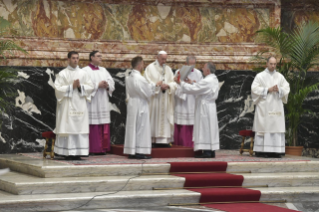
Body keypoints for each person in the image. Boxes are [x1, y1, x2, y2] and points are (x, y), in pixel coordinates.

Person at [54, 51, 94, 160]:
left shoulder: (83, 73)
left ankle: (79, 152)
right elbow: (57, 89)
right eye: (73, 58)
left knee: (79, 127)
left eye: (77, 58)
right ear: (68, 59)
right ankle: (67, 152)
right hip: (67, 105)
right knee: (68, 127)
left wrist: (80, 87)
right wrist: (71, 86)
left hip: (80, 104)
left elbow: (91, 86)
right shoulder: (63, 73)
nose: (75, 60)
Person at [175, 62, 220, 158]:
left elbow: (195, 89)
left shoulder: (207, 81)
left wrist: (180, 83)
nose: (202, 69)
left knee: (205, 128)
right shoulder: (213, 79)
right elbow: (200, 86)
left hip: (205, 108)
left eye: (203, 68)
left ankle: (207, 151)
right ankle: (211, 150)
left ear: (208, 70)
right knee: (210, 128)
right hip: (210, 107)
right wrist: (191, 82)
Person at [124, 56, 162, 159]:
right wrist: (156, 85)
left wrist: (153, 85)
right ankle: (139, 151)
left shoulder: (129, 76)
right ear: (140, 65)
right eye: (143, 63)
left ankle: (132, 151)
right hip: (140, 103)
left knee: (133, 127)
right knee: (141, 127)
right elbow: (148, 91)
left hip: (132, 103)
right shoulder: (140, 78)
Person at [251, 56, 290, 158]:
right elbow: (254, 89)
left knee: (276, 127)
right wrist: (268, 89)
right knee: (265, 127)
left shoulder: (280, 76)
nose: (273, 66)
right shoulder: (260, 76)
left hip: (276, 105)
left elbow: (287, 87)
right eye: (271, 64)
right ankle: (262, 151)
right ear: (267, 64)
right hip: (265, 106)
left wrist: (279, 90)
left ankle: (276, 151)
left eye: (275, 64)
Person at [82, 51, 115, 155]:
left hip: (103, 101)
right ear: (92, 57)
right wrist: (97, 85)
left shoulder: (104, 70)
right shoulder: (85, 71)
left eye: (101, 56)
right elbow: (84, 86)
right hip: (92, 102)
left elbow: (112, 82)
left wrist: (107, 85)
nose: (101, 58)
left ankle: (103, 148)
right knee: (93, 124)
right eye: (98, 56)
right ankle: (93, 148)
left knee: (102, 123)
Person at [144, 51, 176, 147]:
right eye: (162, 59)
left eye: (165, 59)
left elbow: (174, 82)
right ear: (157, 57)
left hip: (165, 98)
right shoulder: (150, 68)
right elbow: (146, 82)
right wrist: (157, 87)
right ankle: (153, 139)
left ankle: (164, 141)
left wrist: (168, 85)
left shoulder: (168, 69)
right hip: (155, 98)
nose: (164, 61)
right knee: (154, 118)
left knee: (165, 118)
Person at [174, 55, 203, 147]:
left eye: (194, 64)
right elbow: (175, 88)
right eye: (190, 64)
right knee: (182, 123)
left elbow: (201, 87)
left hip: (193, 101)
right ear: (186, 63)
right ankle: (180, 144)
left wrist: (193, 84)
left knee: (192, 123)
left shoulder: (198, 73)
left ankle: (192, 145)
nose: (192, 67)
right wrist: (184, 85)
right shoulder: (179, 72)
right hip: (182, 102)